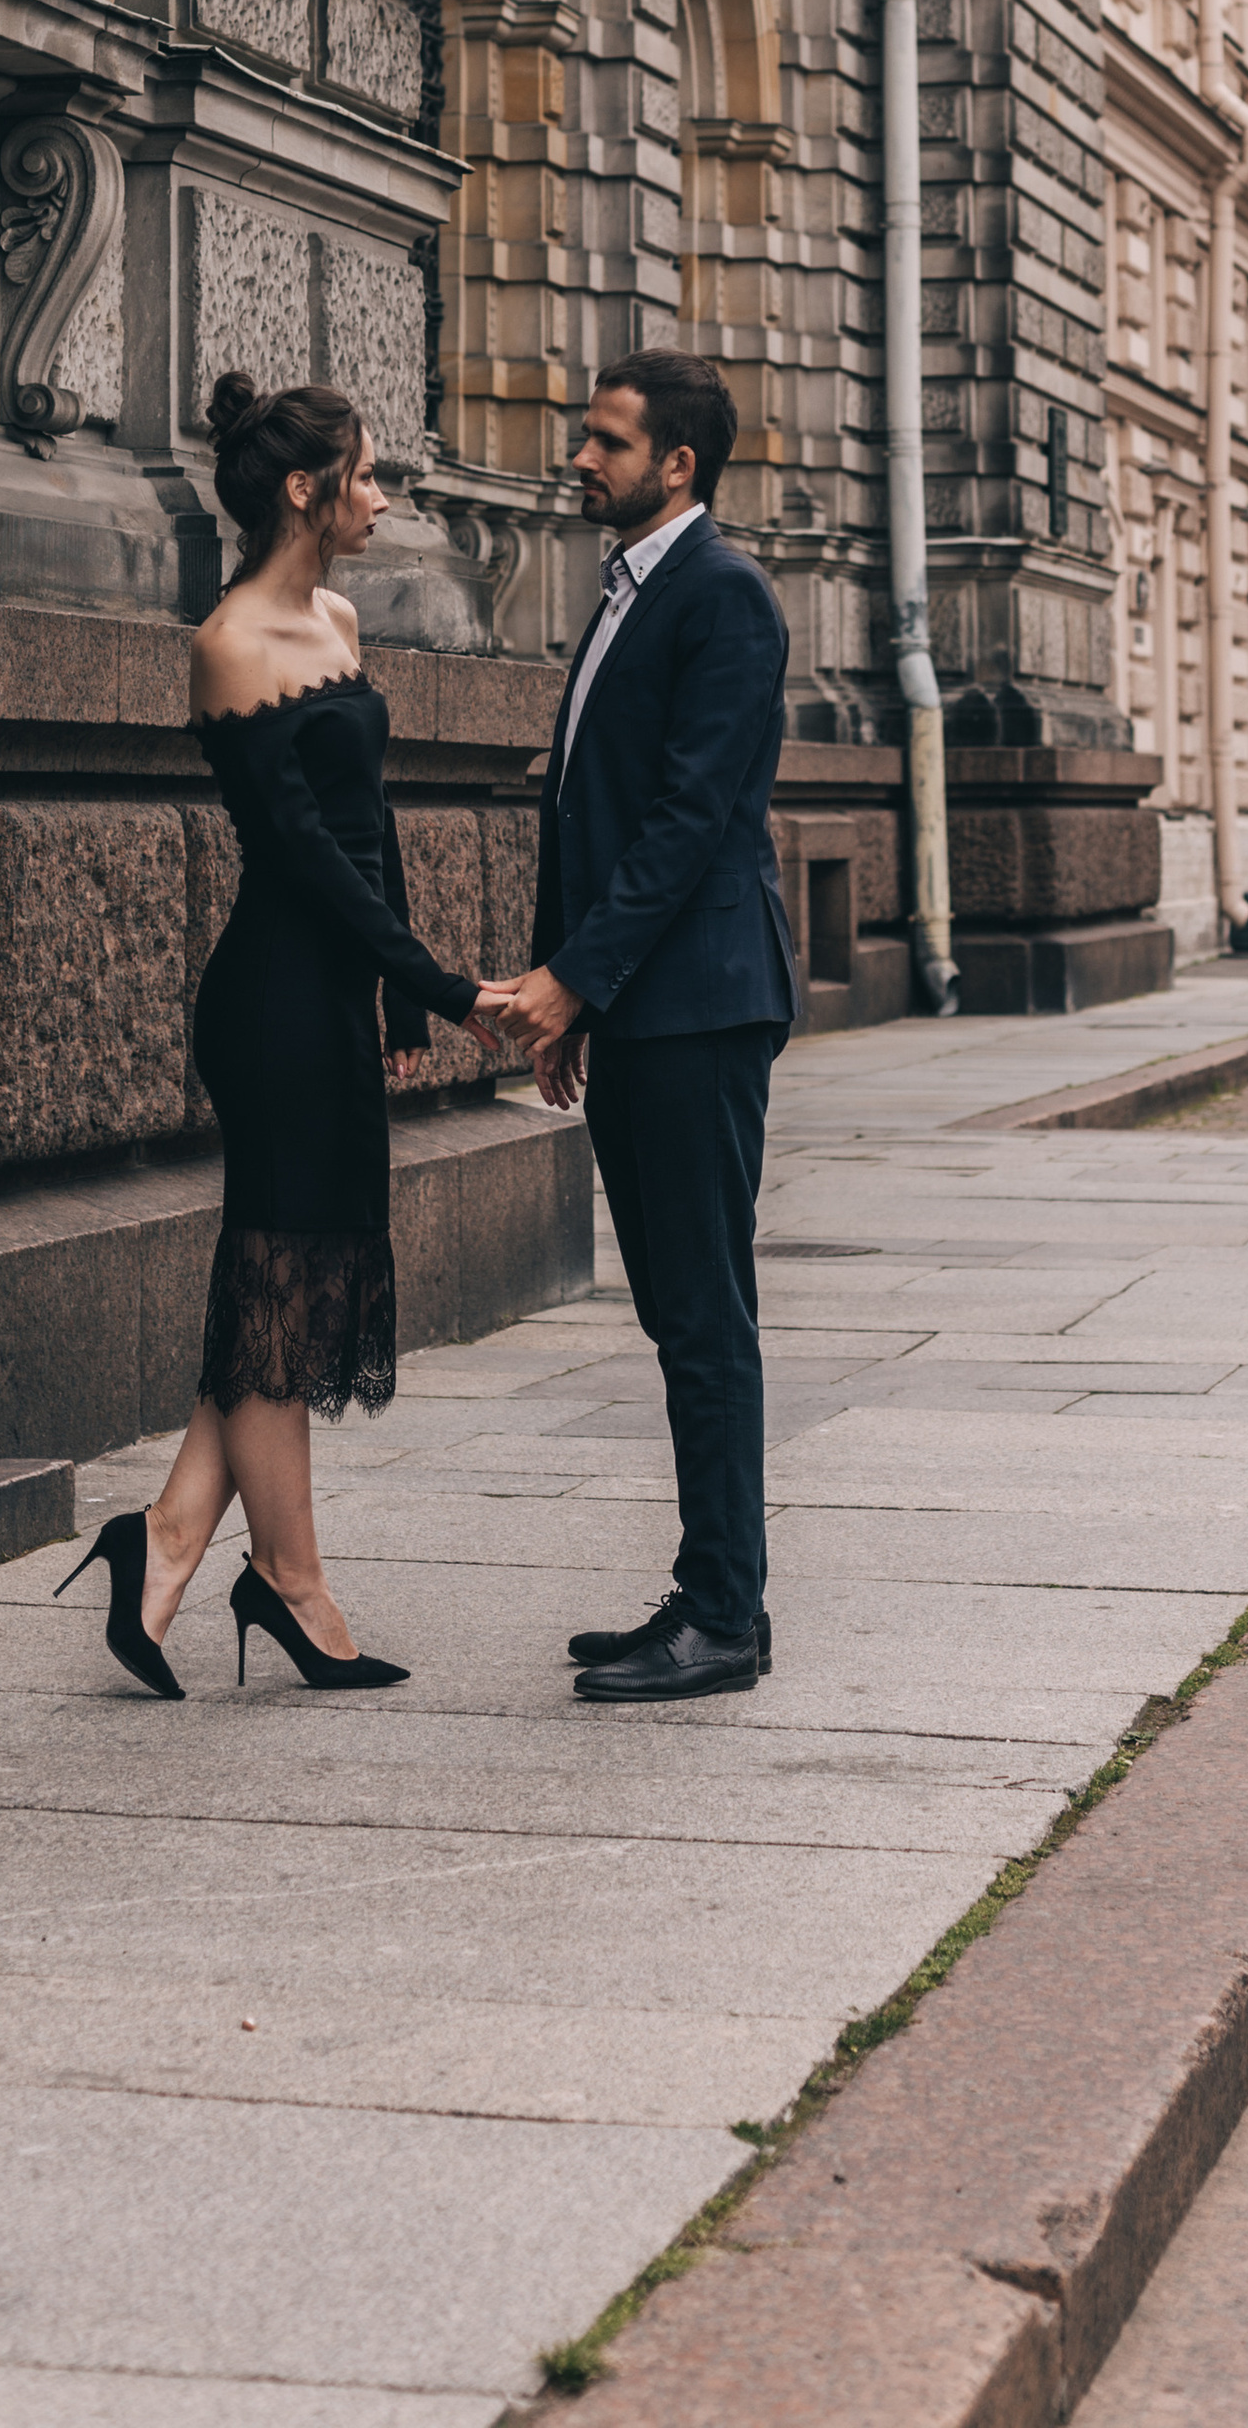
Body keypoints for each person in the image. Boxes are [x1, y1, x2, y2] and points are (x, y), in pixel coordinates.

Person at [56, 383, 508, 1698]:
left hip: (338, 1000)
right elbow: (307, 859)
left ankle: (171, 1543)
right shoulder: (234, 641)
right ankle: (296, 1589)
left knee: (280, 1290)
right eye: (367, 477)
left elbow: (370, 817)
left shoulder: (339, 618)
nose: (382, 497)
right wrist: (440, 976)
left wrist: (407, 998)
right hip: (270, 1007)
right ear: (308, 491)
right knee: (278, 1284)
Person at [493, 353, 799, 1704]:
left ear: (677, 464)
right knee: (681, 1314)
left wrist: (575, 982)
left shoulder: (722, 596)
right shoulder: (632, 592)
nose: (581, 455)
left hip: (703, 1005)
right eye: (585, 434)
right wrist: (576, 996)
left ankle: (726, 1617)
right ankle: (708, 1587)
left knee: (705, 1315)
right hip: (647, 1007)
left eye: (607, 440)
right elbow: (588, 807)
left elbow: (686, 823)